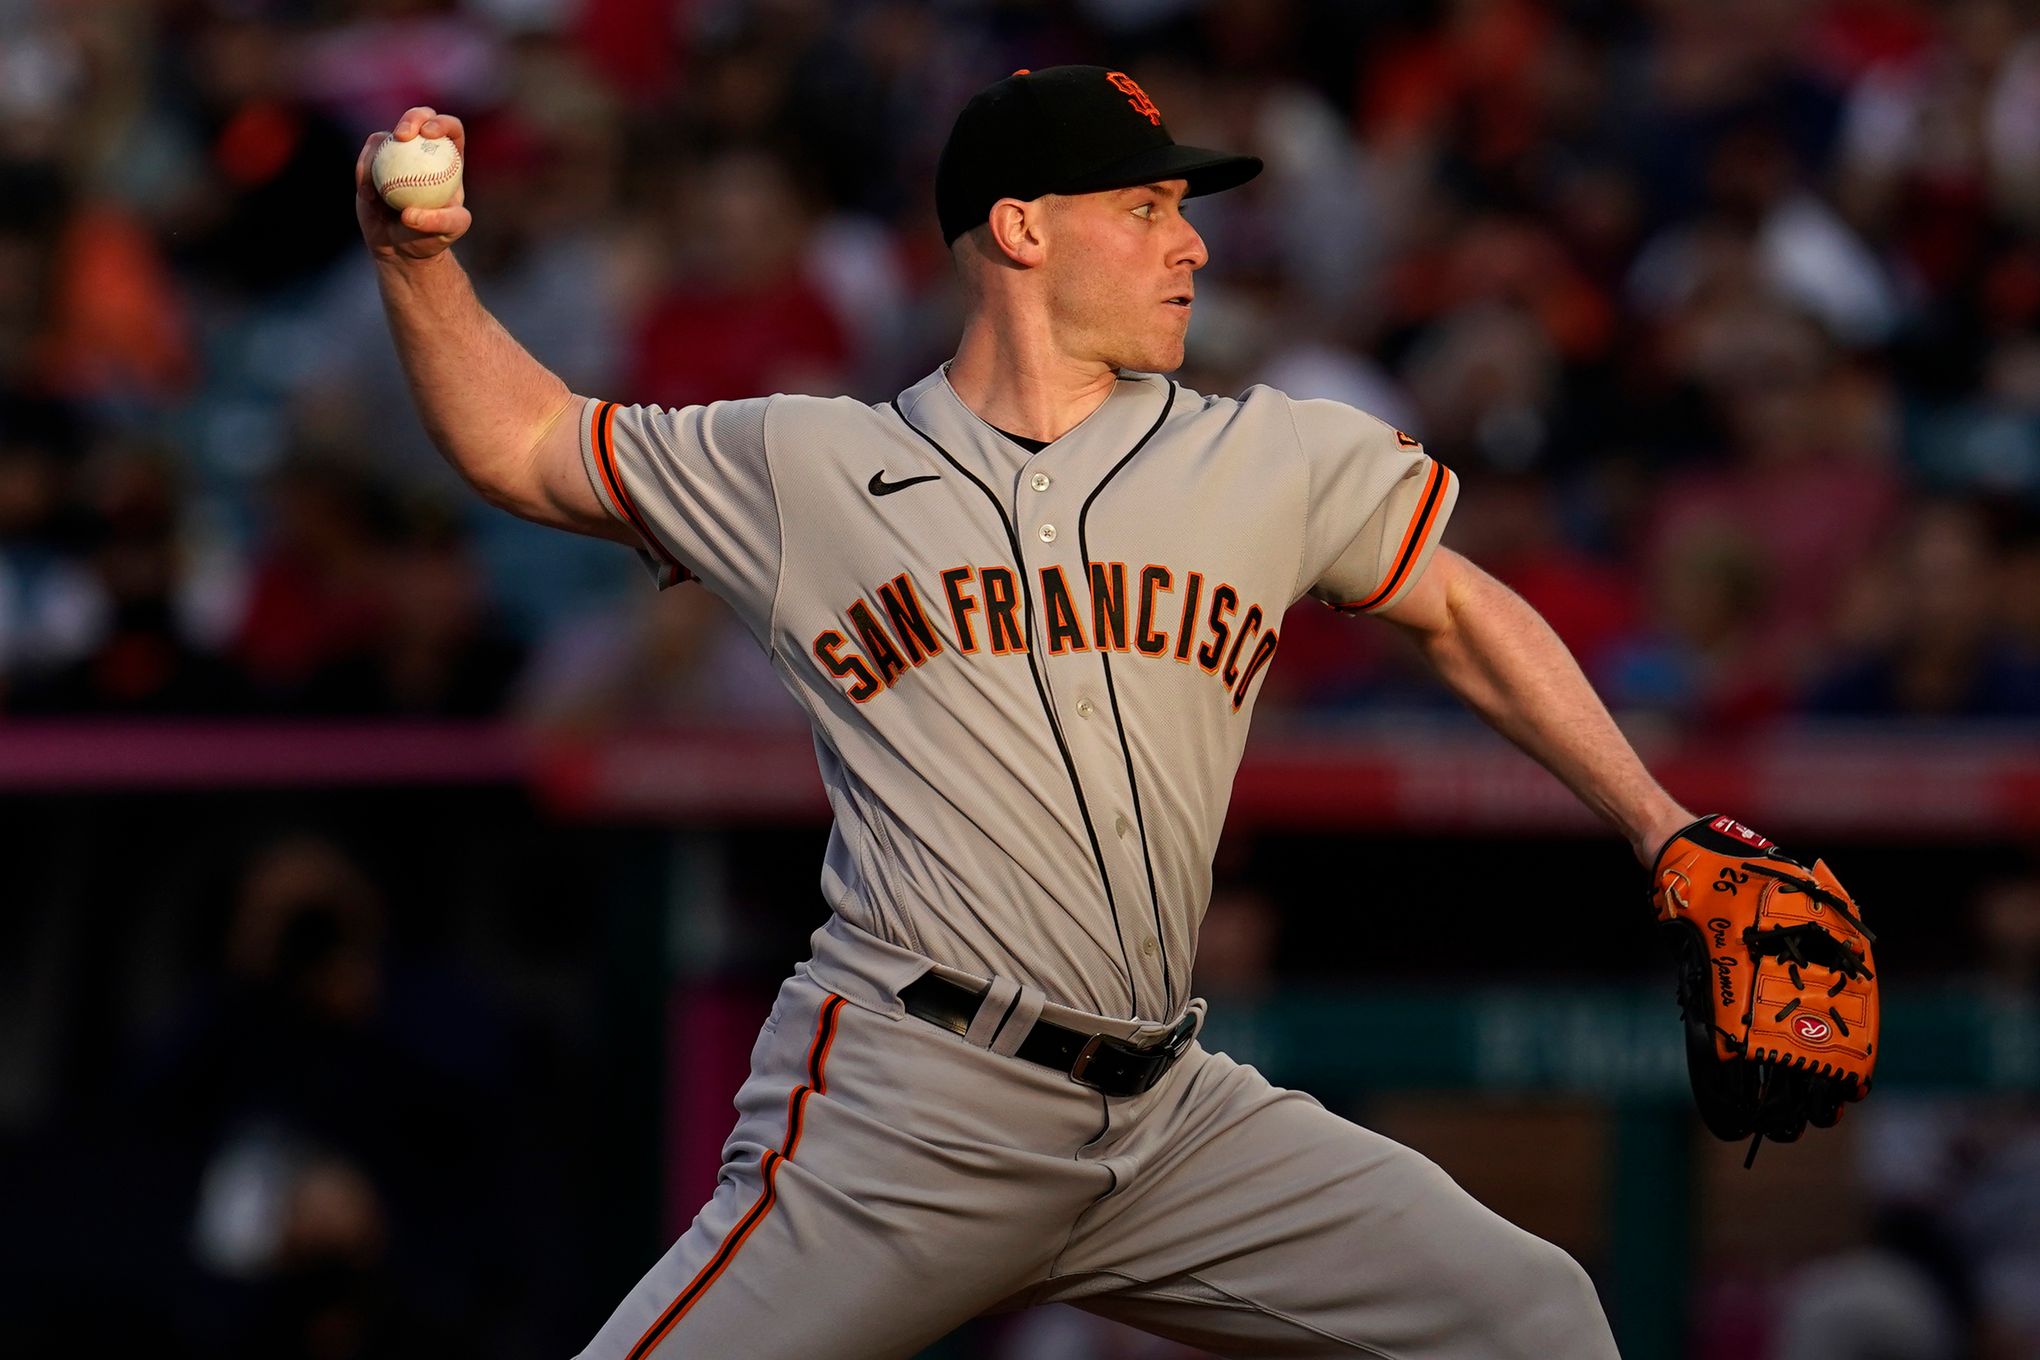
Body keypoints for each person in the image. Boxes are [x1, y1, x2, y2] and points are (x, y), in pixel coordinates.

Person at [357, 66, 1683, 1359]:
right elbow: (526, 443)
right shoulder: (812, 463)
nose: (1195, 247)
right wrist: (417, 265)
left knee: (1532, 1316)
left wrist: (1664, 830)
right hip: (911, 1105)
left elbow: (1461, 614)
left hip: (1169, 1111)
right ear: (1023, 227)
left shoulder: (1263, 455)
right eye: (1150, 209)